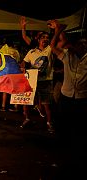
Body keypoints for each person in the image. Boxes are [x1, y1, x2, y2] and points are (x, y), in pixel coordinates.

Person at [50, 20, 87, 177]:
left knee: (78, 125)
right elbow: (53, 46)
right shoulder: (67, 56)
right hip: (66, 95)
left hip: (81, 97)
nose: (77, 47)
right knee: (63, 122)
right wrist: (58, 31)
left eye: (81, 45)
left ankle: (77, 151)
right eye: (77, 44)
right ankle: (64, 147)